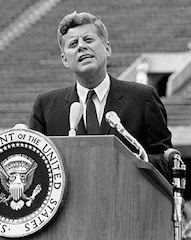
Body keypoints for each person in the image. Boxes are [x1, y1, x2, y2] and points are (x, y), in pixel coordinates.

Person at [29, 11, 173, 182]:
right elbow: (36, 166)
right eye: (73, 44)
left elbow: (166, 162)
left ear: (107, 48)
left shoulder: (143, 98)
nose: (81, 46)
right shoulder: (45, 106)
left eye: (88, 40)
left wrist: (131, 162)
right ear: (65, 60)